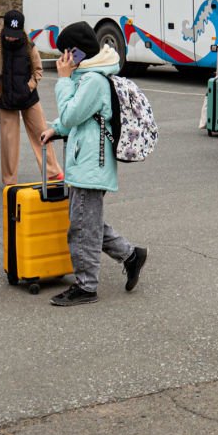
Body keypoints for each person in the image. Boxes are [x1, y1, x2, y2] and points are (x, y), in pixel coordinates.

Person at [41, 22, 148, 306]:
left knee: (82, 227)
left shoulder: (93, 81)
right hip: (87, 161)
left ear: (76, 52)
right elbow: (78, 119)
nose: (62, 58)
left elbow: (71, 114)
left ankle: (86, 286)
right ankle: (131, 255)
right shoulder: (88, 77)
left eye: (65, 52)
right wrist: (55, 129)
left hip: (91, 164)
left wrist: (63, 80)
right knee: (87, 221)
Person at [0, 9, 63, 186]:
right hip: (5, 100)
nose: (11, 38)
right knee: (9, 143)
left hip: (28, 98)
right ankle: (10, 181)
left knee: (42, 133)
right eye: (9, 34)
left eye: (15, 35)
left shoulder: (29, 46)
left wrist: (28, 87)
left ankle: (53, 173)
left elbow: (38, 71)